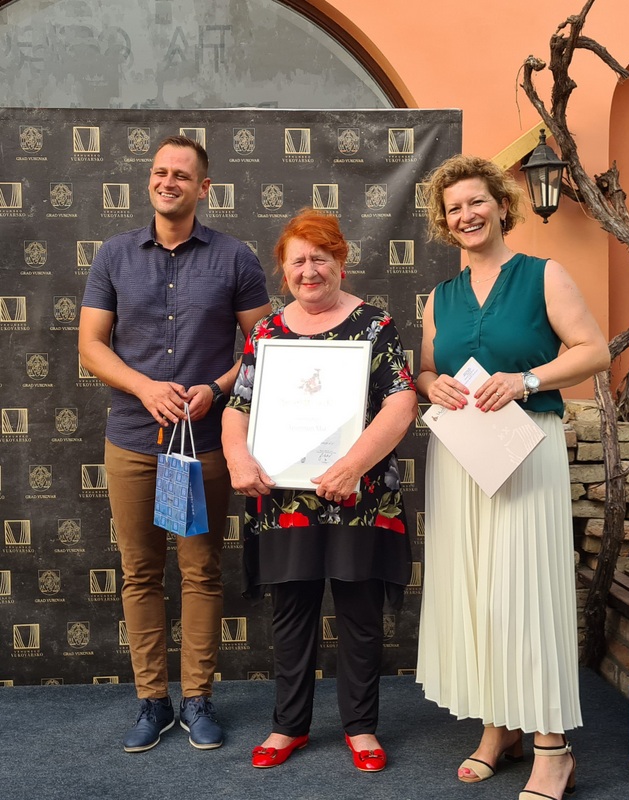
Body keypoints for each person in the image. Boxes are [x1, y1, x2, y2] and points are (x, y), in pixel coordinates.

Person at [415, 155, 610, 800]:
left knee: (528, 590)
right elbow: (425, 369)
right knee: (478, 590)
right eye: (454, 209)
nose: (467, 215)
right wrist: (432, 385)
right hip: (461, 456)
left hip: (527, 449)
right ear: (445, 223)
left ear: (502, 205)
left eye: (477, 202)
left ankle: (553, 749)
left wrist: (526, 380)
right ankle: (499, 728)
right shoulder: (439, 297)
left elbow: (595, 350)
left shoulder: (543, 274)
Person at [78, 135, 271, 753]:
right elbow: (90, 345)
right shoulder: (114, 255)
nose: (169, 182)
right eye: (160, 172)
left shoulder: (235, 258)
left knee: (201, 572)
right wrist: (144, 387)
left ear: (203, 188)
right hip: (133, 440)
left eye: (182, 175)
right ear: (150, 181)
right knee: (139, 573)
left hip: (206, 443)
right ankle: (152, 701)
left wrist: (215, 389)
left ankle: (197, 699)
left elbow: (263, 347)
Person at [221, 208, 417, 773]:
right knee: (291, 614)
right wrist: (237, 457)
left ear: (341, 263)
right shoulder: (267, 332)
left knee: (359, 614)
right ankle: (288, 726)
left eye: (320, 259)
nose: (309, 271)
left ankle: (361, 728)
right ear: (284, 272)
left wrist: (351, 466)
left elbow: (401, 401)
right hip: (284, 499)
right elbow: (239, 406)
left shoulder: (374, 325)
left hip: (359, 495)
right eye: (298, 261)